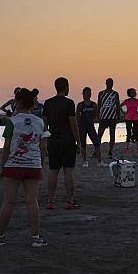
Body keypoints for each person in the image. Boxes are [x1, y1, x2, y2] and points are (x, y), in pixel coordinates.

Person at [0, 88, 47, 247]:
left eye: (15, 101)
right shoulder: (40, 122)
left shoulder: (12, 121)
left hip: (13, 165)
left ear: (19, 103)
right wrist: (40, 164)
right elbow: (43, 147)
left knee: (9, 201)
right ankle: (36, 237)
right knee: (32, 201)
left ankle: (0, 236)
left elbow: (7, 147)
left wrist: (3, 167)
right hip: (33, 165)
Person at [44, 77, 81, 210]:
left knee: (53, 171)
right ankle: (69, 201)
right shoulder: (69, 103)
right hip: (67, 140)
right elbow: (73, 123)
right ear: (66, 87)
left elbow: (45, 125)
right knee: (68, 171)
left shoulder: (47, 103)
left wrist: (46, 141)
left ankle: (50, 201)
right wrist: (78, 141)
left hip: (53, 140)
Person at [76, 87, 102, 167]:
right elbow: (76, 116)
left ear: (90, 94)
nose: (87, 95)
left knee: (96, 143)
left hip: (91, 127)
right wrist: (77, 126)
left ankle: (99, 162)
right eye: (85, 93)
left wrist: (95, 119)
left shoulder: (94, 105)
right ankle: (85, 161)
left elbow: (97, 116)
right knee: (83, 144)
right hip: (82, 127)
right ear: (83, 94)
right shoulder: (80, 105)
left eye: (89, 93)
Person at [97, 78, 121, 159]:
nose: (110, 84)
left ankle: (110, 152)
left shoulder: (115, 94)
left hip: (112, 117)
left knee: (112, 134)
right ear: (106, 83)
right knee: (99, 134)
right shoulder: (101, 93)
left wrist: (119, 116)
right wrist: (97, 116)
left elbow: (117, 105)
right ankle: (96, 150)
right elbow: (99, 105)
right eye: (109, 82)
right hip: (103, 117)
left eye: (112, 82)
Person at [120, 88, 138, 153]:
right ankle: (127, 147)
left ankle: (137, 148)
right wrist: (123, 112)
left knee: (136, 132)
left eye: (134, 92)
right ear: (129, 93)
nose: (133, 93)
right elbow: (119, 106)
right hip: (128, 118)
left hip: (135, 118)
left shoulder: (137, 101)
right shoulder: (126, 101)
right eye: (132, 92)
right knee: (128, 132)